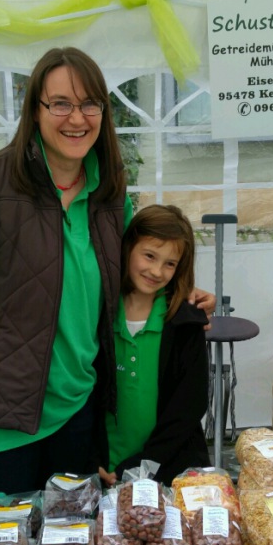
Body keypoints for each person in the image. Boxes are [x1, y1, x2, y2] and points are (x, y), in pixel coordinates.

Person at [0, 47, 214, 499]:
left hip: (79, 415)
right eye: (60, 103)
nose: (76, 118)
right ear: (34, 110)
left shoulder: (111, 194)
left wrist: (182, 292)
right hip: (1, 424)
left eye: (89, 104)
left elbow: (125, 276)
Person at [98, 204, 210, 486]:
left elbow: (189, 407)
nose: (156, 271)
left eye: (170, 263)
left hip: (172, 472)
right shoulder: (98, 315)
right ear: (128, 248)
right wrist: (94, 461)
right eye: (149, 256)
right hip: (107, 472)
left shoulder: (185, 324)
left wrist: (139, 466)